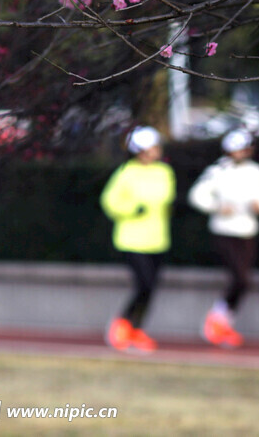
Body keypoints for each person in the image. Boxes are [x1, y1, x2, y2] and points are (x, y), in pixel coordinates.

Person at [188, 129, 259, 348]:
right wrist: (216, 207)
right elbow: (197, 195)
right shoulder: (218, 170)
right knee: (240, 278)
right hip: (224, 231)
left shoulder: (257, 171)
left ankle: (222, 321)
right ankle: (216, 320)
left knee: (243, 281)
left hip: (248, 230)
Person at [100, 125, 176, 353]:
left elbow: (166, 197)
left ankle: (137, 329)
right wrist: (132, 208)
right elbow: (110, 201)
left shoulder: (164, 172)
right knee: (143, 284)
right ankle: (122, 324)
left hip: (157, 239)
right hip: (131, 239)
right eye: (152, 147)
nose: (156, 150)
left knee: (151, 288)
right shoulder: (126, 172)